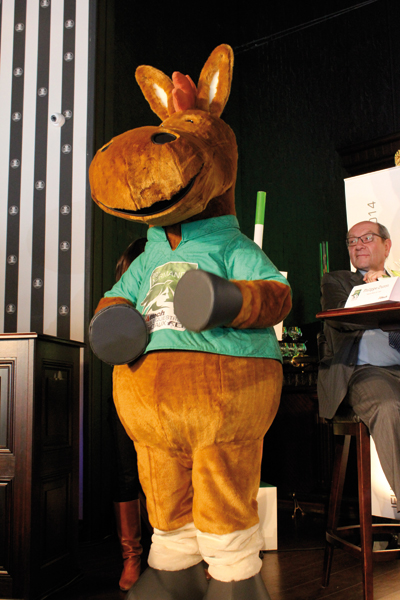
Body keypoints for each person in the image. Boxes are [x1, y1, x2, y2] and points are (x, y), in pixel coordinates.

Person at [318, 220, 400, 504]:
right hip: (363, 373)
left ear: (386, 245)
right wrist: (376, 292)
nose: (358, 245)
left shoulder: (398, 282)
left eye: (366, 238)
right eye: (352, 241)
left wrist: (389, 286)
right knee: (388, 406)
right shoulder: (337, 281)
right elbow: (341, 317)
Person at [109, 238, 148, 591]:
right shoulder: (119, 303)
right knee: (126, 471)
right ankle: (131, 557)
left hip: (167, 391)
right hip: (128, 387)